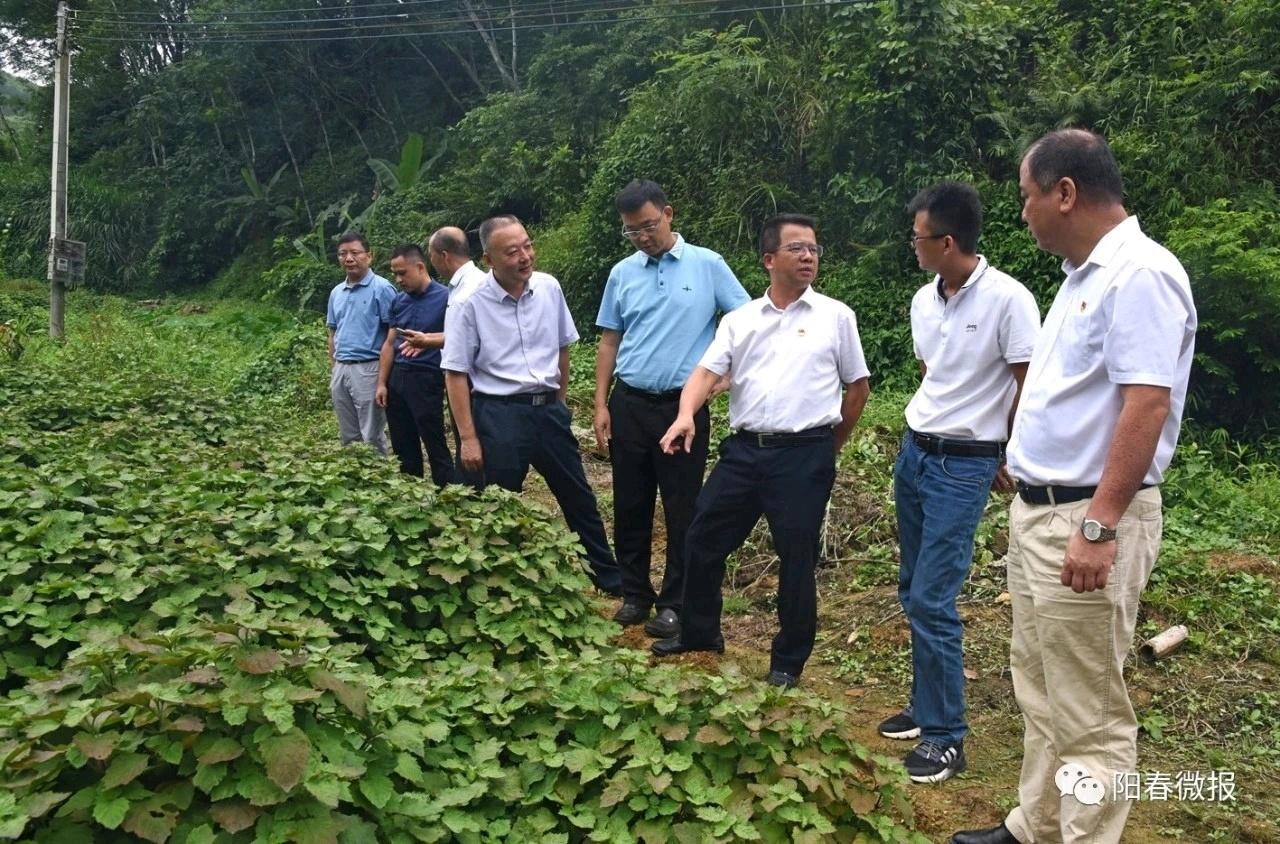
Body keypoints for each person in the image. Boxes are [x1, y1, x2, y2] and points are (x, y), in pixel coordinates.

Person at [950, 129, 1196, 844]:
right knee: (1042, 684)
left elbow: (1146, 404)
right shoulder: (1080, 276)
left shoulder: (1139, 274)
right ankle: (1038, 823)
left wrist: (1100, 523)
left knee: (1089, 710)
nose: (1022, 213)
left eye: (1027, 197)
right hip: (1041, 512)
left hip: (1086, 518)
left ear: (1065, 193)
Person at [652, 214, 871, 688]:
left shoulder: (836, 316)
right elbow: (705, 375)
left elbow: (857, 387)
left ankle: (787, 662)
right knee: (703, 538)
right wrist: (686, 413)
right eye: (796, 248)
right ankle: (700, 632)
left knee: (795, 558)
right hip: (745, 454)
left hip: (804, 455)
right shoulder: (740, 320)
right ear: (769, 259)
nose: (808, 256)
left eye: (813, 248)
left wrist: (829, 445)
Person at [881, 181, 1041, 784]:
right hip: (916, 452)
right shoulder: (925, 300)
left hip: (964, 463)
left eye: (918, 238)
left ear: (947, 242)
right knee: (910, 584)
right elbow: (933, 373)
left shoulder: (1009, 299)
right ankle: (925, 708)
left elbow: (1029, 382)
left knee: (933, 596)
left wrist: (1010, 450)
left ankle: (948, 736)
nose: (913, 247)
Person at [594, 179, 750, 637]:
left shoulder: (707, 265)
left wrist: (725, 378)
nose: (643, 236)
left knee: (682, 507)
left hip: (681, 410)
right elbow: (608, 340)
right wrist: (601, 403)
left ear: (668, 213)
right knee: (630, 501)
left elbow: (744, 325)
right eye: (631, 231)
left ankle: (675, 601)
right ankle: (635, 593)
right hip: (630, 403)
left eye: (648, 225)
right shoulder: (623, 273)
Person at [440, 215, 623, 596]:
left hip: (548, 411)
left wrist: (558, 403)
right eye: (513, 251)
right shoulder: (468, 303)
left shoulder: (549, 288)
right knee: (499, 501)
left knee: (578, 496)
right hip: (498, 413)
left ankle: (609, 579)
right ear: (489, 259)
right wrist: (468, 437)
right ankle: (497, 586)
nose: (525, 256)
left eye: (528, 245)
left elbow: (562, 347)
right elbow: (455, 373)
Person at [374, 243, 456, 485]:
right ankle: (411, 497)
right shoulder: (399, 301)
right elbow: (390, 344)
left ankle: (448, 495)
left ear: (420, 267)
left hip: (426, 377)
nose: (398, 279)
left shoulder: (447, 298)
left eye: (402, 273)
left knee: (434, 441)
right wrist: (382, 383)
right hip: (397, 377)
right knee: (402, 444)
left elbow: (459, 338)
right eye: (395, 274)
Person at [326, 232, 397, 454]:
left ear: (369, 256)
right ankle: (355, 480)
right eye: (342, 254)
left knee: (372, 433)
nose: (348, 258)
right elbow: (332, 332)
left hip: (369, 367)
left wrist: (383, 379)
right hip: (341, 368)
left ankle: (379, 481)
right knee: (348, 433)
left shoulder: (382, 288)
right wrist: (334, 367)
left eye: (355, 253)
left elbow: (392, 335)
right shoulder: (337, 292)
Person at [427, 226, 486, 305]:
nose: (431, 260)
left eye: (431, 255)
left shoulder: (462, 298)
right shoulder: (483, 280)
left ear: (444, 256)